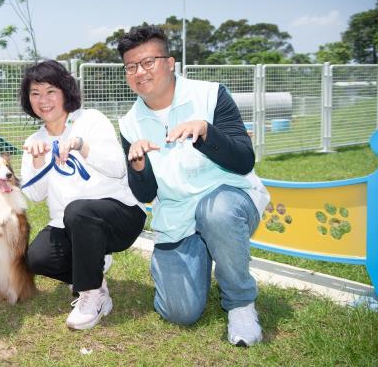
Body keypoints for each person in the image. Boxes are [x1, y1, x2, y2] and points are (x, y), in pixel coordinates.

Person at [116, 25, 269, 347]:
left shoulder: (211, 95)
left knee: (216, 212)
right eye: (131, 67)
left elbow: (244, 161)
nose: (139, 72)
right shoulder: (129, 122)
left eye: (148, 62)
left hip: (228, 202)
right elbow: (146, 194)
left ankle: (240, 303)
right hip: (178, 217)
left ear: (170, 63)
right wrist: (138, 165)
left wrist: (206, 131)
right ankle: (200, 256)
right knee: (179, 313)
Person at [20, 60, 146, 330]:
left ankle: (90, 294)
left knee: (78, 210)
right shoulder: (35, 140)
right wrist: (39, 160)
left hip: (119, 214)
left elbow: (116, 168)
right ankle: (96, 278)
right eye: (35, 93)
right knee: (36, 258)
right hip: (71, 223)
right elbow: (34, 195)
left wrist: (81, 145)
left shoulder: (91, 120)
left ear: (65, 91)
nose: (43, 100)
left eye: (50, 91)